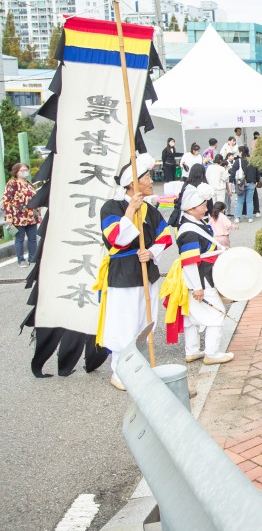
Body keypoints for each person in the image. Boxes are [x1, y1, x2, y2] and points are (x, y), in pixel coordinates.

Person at [95, 154, 173, 390]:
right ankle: (119, 371)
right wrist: (130, 210)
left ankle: (139, 366)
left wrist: (151, 252)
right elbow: (114, 239)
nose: (151, 180)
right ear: (132, 183)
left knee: (143, 321)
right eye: (147, 177)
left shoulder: (150, 209)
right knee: (124, 322)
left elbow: (165, 236)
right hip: (123, 275)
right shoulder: (112, 206)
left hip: (146, 271)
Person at [160, 183, 234, 366]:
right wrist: (197, 287)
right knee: (217, 314)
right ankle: (212, 353)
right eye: (202, 205)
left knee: (191, 317)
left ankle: (192, 351)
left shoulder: (193, 223)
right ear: (191, 209)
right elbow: (190, 261)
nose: (206, 207)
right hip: (199, 280)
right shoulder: (189, 231)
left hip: (196, 279)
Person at [2, 162, 40, 267]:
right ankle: (21, 260)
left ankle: (33, 258)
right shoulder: (12, 184)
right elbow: (6, 200)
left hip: (31, 215)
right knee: (20, 238)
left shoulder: (28, 183)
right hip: (18, 216)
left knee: (32, 238)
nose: (24, 172)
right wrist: (9, 216)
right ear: (16, 172)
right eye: (22, 170)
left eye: (26, 170)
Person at [230, 146, 259, 223]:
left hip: (241, 183)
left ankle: (237, 217)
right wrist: (257, 180)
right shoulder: (252, 161)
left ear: (241, 152)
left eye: (239, 151)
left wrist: (231, 182)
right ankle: (250, 217)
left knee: (240, 200)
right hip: (251, 183)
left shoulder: (238, 161)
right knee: (249, 201)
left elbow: (232, 172)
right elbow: (257, 172)